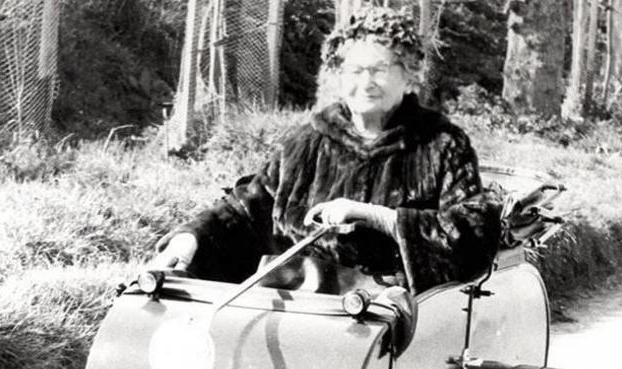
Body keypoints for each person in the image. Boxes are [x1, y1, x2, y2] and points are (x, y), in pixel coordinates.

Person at [151, 6, 503, 294]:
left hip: (386, 314)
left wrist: (377, 216)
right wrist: (191, 237)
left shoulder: (441, 145)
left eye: (380, 69)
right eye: (354, 70)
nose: (365, 83)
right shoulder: (308, 141)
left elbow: (472, 232)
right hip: (297, 298)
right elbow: (248, 207)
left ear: (410, 75)